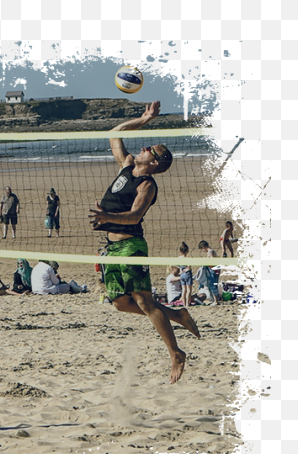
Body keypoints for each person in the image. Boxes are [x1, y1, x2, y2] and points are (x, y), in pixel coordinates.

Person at [88, 100, 201, 384]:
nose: (143, 147)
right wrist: (144, 118)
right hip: (112, 247)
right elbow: (115, 133)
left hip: (131, 245)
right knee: (120, 304)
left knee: (144, 301)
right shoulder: (127, 166)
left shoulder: (147, 185)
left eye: (148, 149)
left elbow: (135, 215)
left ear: (153, 162)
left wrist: (106, 214)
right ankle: (177, 314)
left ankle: (175, 353)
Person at [196, 240, 220, 305]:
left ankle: (216, 301)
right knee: (211, 285)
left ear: (203, 247)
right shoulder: (211, 251)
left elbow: (213, 260)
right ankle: (213, 300)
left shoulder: (210, 251)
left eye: (201, 249)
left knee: (213, 285)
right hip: (213, 270)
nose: (202, 250)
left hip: (213, 270)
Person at [179, 242, 194, 308]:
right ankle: (187, 304)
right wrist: (186, 269)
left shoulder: (179, 258)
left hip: (182, 274)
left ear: (180, 251)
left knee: (183, 290)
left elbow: (178, 266)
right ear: (187, 251)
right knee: (189, 290)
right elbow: (189, 267)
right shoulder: (188, 259)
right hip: (187, 274)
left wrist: (181, 270)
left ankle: (184, 304)